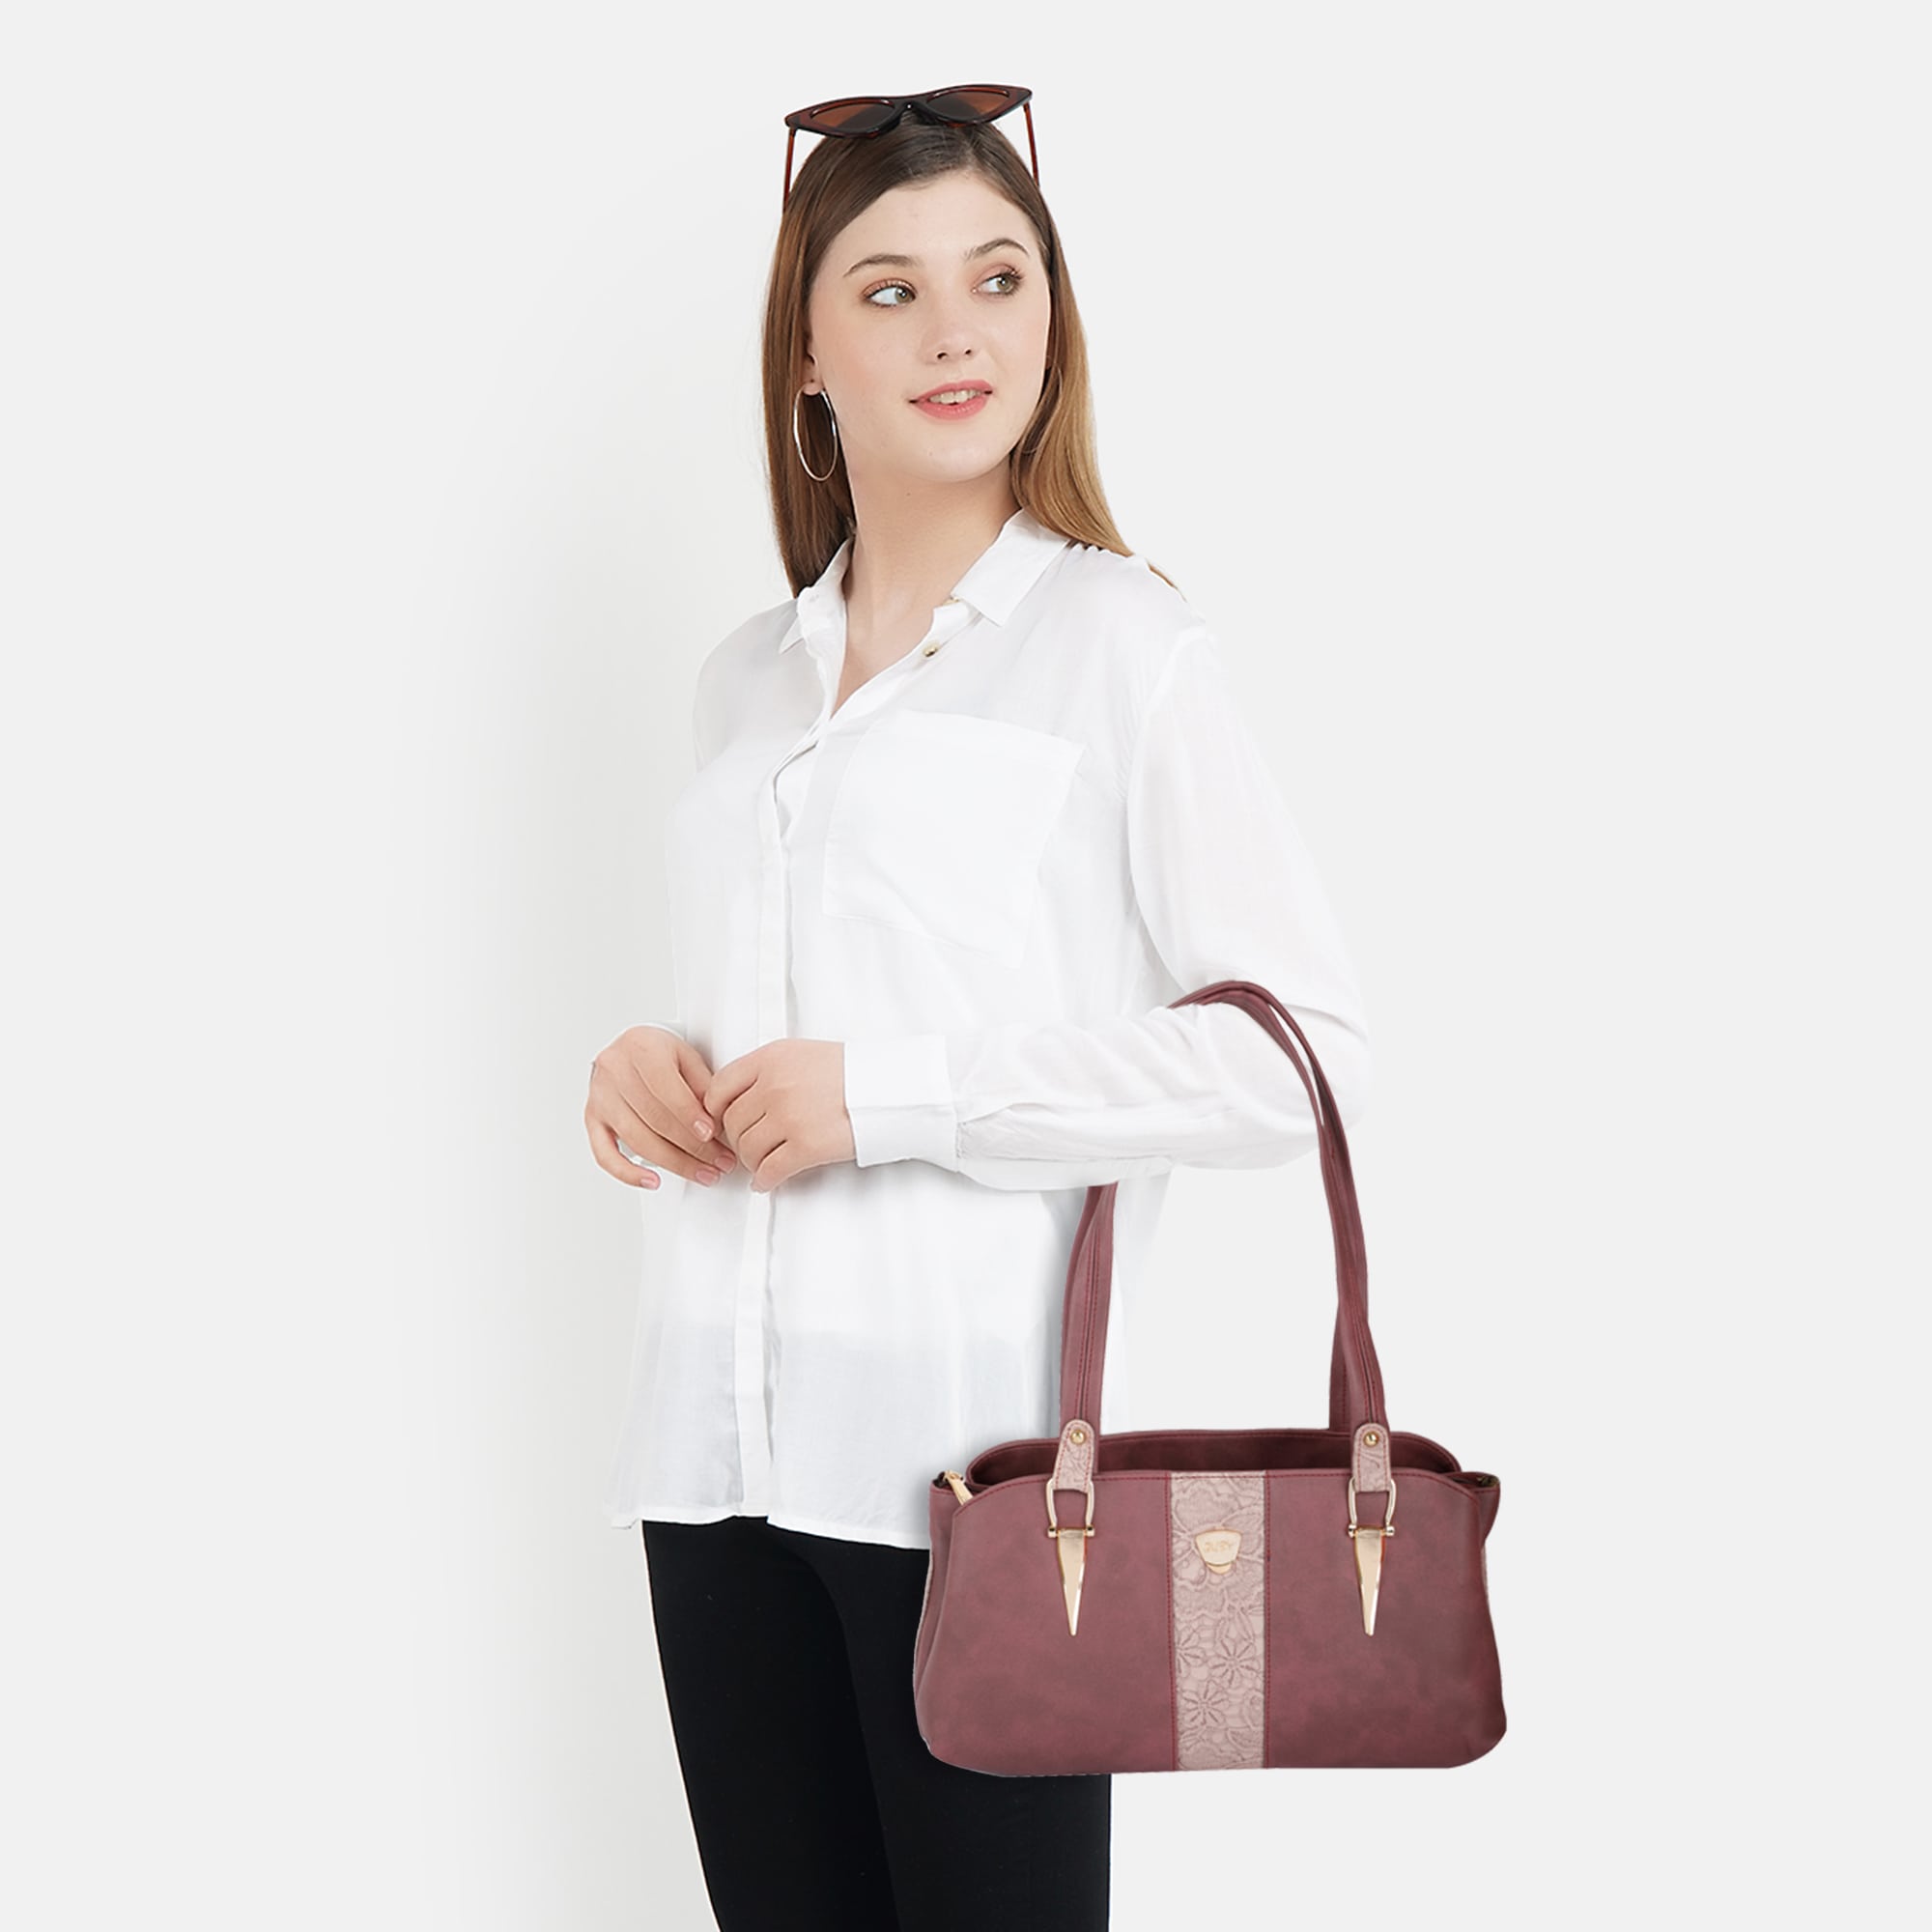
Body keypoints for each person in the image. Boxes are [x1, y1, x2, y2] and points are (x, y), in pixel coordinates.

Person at [582, 84, 1372, 1932]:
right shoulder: (742, 682)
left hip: (975, 1486)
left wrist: (900, 1097)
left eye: (1000, 278)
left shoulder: (1125, 648)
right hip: (709, 1461)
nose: (958, 330)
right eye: (892, 289)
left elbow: (1299, 1057)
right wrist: (642, 1069)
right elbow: (774, 1025)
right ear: (805, 355)